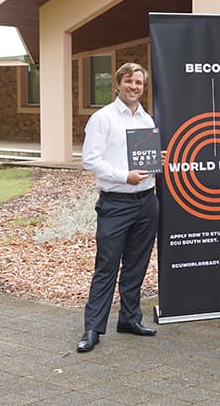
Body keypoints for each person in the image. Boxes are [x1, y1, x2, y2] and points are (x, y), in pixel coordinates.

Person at [77, 62, 162, 353]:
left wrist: (156, 160)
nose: (134, 86)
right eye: (129, 81)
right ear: (118, 84)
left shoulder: (147, 120)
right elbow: (90, 160)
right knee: (106, 267)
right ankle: (93, 328)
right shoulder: (103, 119)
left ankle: (129, 319)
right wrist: (123, 176)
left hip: (147, 201)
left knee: (136, 266)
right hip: (116, 203)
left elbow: (146, 158)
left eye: (139, 82)